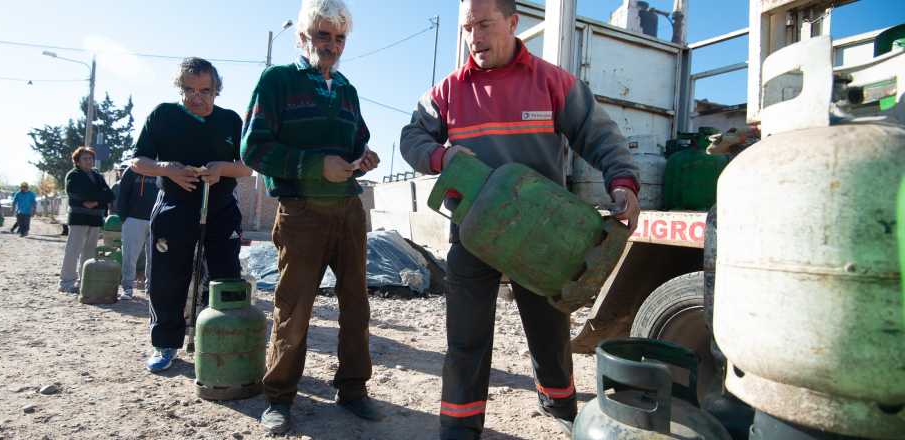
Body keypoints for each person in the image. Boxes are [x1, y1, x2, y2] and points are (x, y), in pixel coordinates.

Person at [399, 1, 641, 438]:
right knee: (466, 340)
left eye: (485, 25)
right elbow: (410, 136)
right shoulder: (449, 91)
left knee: (548, 331)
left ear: (513, 24)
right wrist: (440, 154)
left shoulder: (552, 82)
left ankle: (560, 402)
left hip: (541, 234)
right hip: (473, 235)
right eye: (469, 27)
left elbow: (599, 133)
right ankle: (459, 427)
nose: (475, 36)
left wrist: (622, 180)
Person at [241, 0, 382, 434]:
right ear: (303, 38)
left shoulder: (347, 90)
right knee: (295, 307)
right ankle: (279, 397)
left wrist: (364, 158)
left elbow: (357, 140)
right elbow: (253, 150)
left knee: (356, 304)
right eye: (323, 35)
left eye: (339, 38)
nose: (333, 45)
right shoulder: (277, 81)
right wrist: (315, 165)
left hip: (348, 209)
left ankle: (353, 389)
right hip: (301, 211)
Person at [131, 57, 252, 372]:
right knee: (167, 277)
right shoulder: (163, 115)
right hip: (174, 205)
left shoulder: (230, 121)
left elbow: (248, 166)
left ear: (216, 90)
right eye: (189, 90)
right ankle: (165, 343)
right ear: (179, 88)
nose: (197, 98)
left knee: (225, 276)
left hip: (221, 206)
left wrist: (222, 169)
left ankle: (219, 339)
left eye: (205, 90)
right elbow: (137, 161)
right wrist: (166, 169)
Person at [58, 147, 115, 294]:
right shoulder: (73, 175)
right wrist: (97, 196)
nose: (88, 161)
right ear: (77, 161)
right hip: (79, 218)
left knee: (89, 252)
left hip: (95, 218)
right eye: (85, 158)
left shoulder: (97, 176)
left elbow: (109, 195)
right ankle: (66, 282)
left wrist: (95, 201)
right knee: (73, 250)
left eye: (90, 158)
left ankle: (85, 281)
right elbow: (76, 193)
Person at [115, 164, 159, 300]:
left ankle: (151, 289)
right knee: (129, 256)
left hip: (156, 219)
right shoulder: (131, 170)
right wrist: (124, 217)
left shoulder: (161, 169)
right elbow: (122, 194)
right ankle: (127, 288)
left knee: (155, 257)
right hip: (133, 219)